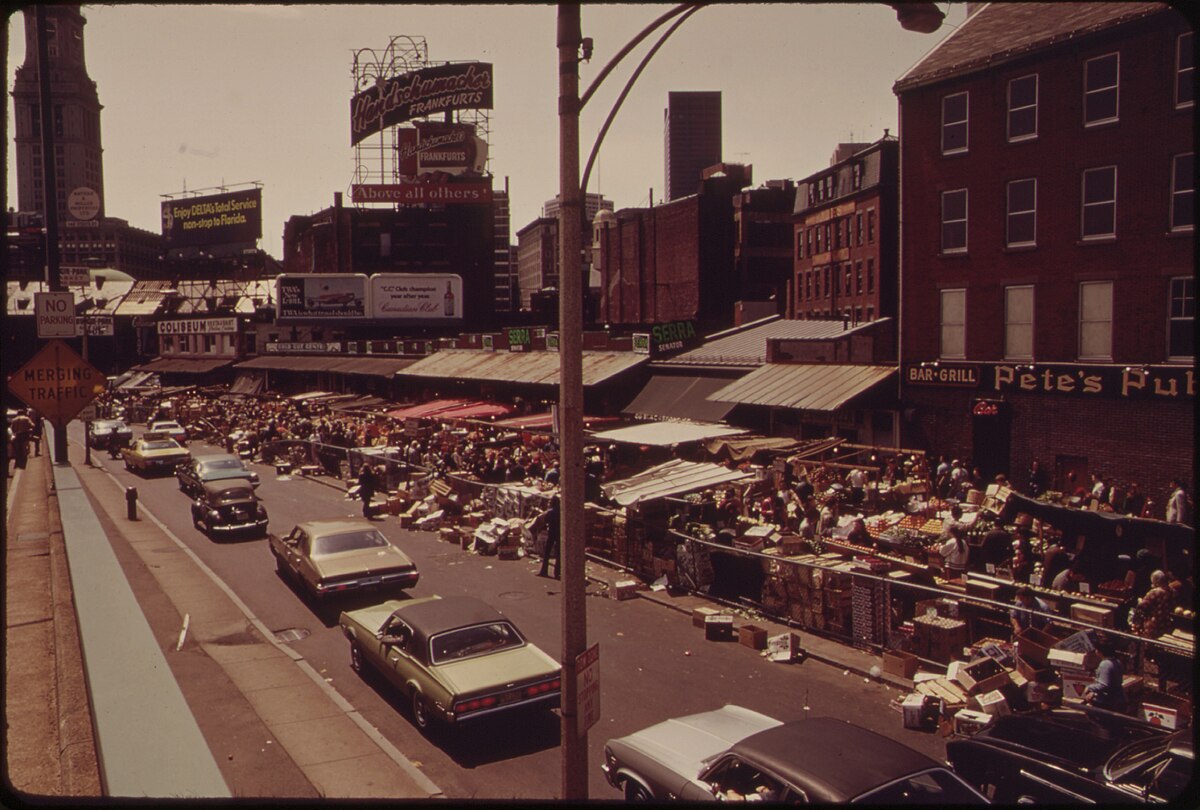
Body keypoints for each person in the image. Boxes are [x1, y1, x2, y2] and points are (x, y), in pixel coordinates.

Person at [1082, 635, 1127, 713]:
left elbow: (1104, 685)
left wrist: (1090, 688)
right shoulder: (1117, 662)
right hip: (1119, 698)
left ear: (1099, 651)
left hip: (1108, 702)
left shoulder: (1105, 664)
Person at [1131, 570, 1175, 639]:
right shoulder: (1172, 590)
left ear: (1156, 581)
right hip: (1166, 623)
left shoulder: (1155, 592)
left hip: (1154, 624)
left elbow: (1143, 605)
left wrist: (1139, 600)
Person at [538, 496, 561, 579]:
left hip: (551, 533)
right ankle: (557, 573)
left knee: (547, 553)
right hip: (559, 534)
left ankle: (544, 570)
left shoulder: (550, 512)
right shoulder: (562, 511)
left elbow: (546, 521)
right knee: (559, 554)